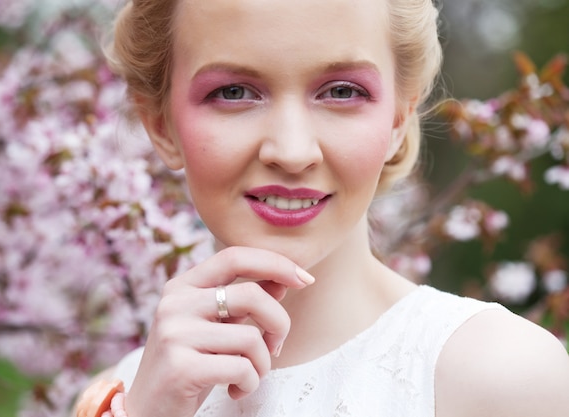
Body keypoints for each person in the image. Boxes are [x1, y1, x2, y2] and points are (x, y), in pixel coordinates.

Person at [75, 0, 569, 416]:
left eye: (341, 92)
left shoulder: (504, 377)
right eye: (233, 92)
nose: (292, 152)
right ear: (161, 127)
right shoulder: (120, 395)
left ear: (398, 119)